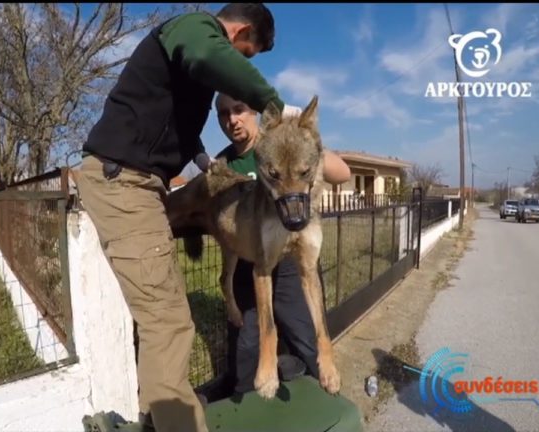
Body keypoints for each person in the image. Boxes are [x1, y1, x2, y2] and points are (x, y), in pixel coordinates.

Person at [74, 4, 303, 432]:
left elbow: (174, 120)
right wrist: (272, 103)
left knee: (165, 315)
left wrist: (200, 159)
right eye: (247, 55)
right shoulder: (196, 29)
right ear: (240, 34)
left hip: (136, 183)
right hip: (124, 183)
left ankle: (159, 416)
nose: (242, 65)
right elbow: (210, 57)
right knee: (170, 323)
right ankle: (175, 421)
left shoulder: (187, 57)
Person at [211, 92, 352, 396]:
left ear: (256, 114)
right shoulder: (224, 162)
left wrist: (306, 140)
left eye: (239, 109)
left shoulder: (285, 138)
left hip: (290, 270)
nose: (232, 119)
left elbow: (343, 173)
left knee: (305, 339)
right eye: (223, 113)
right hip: (255, 262)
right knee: (245, 355)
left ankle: (323, 404)